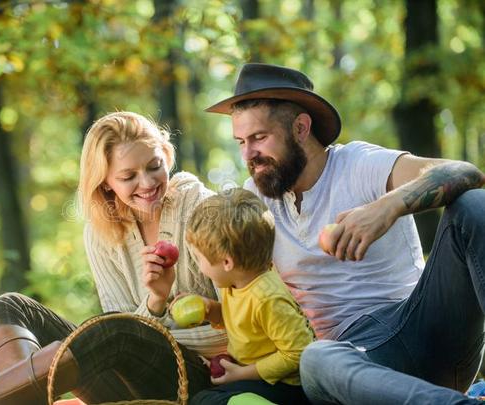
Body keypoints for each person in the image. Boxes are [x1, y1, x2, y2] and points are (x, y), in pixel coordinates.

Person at [205, 63, 485, 404]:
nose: (249, 154)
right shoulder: (256, 199)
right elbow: (235, 274)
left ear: (301, 128)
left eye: (259, 138)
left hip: (422, 327)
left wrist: (387, 207)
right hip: (355, 364)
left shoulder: (358, 164)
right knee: (317, 359)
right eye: (241, 142)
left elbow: (465, 172)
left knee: (473, 205)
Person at [0, 111, 227, 404]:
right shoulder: (101, 234)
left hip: (200, 375)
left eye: (154, 166)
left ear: (166, 157)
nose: (147, 183)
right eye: (128, 176)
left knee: (114, 328)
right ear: (105, 182)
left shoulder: (202, 210)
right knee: (9, 306)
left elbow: (239, 318)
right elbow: (125, 333)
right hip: (126, 377)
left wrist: (163, 321)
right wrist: (155, 302)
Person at [177, 188, 314, 405]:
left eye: (198, 257)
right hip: (254, 375)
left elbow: (298, 352)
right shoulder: (235, 283)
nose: (199, 266)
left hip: (286, 385)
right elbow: (243, 323)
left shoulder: (267, 298)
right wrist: (211, 311)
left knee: (203, 400)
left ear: (226, 262)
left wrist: (243, 374)